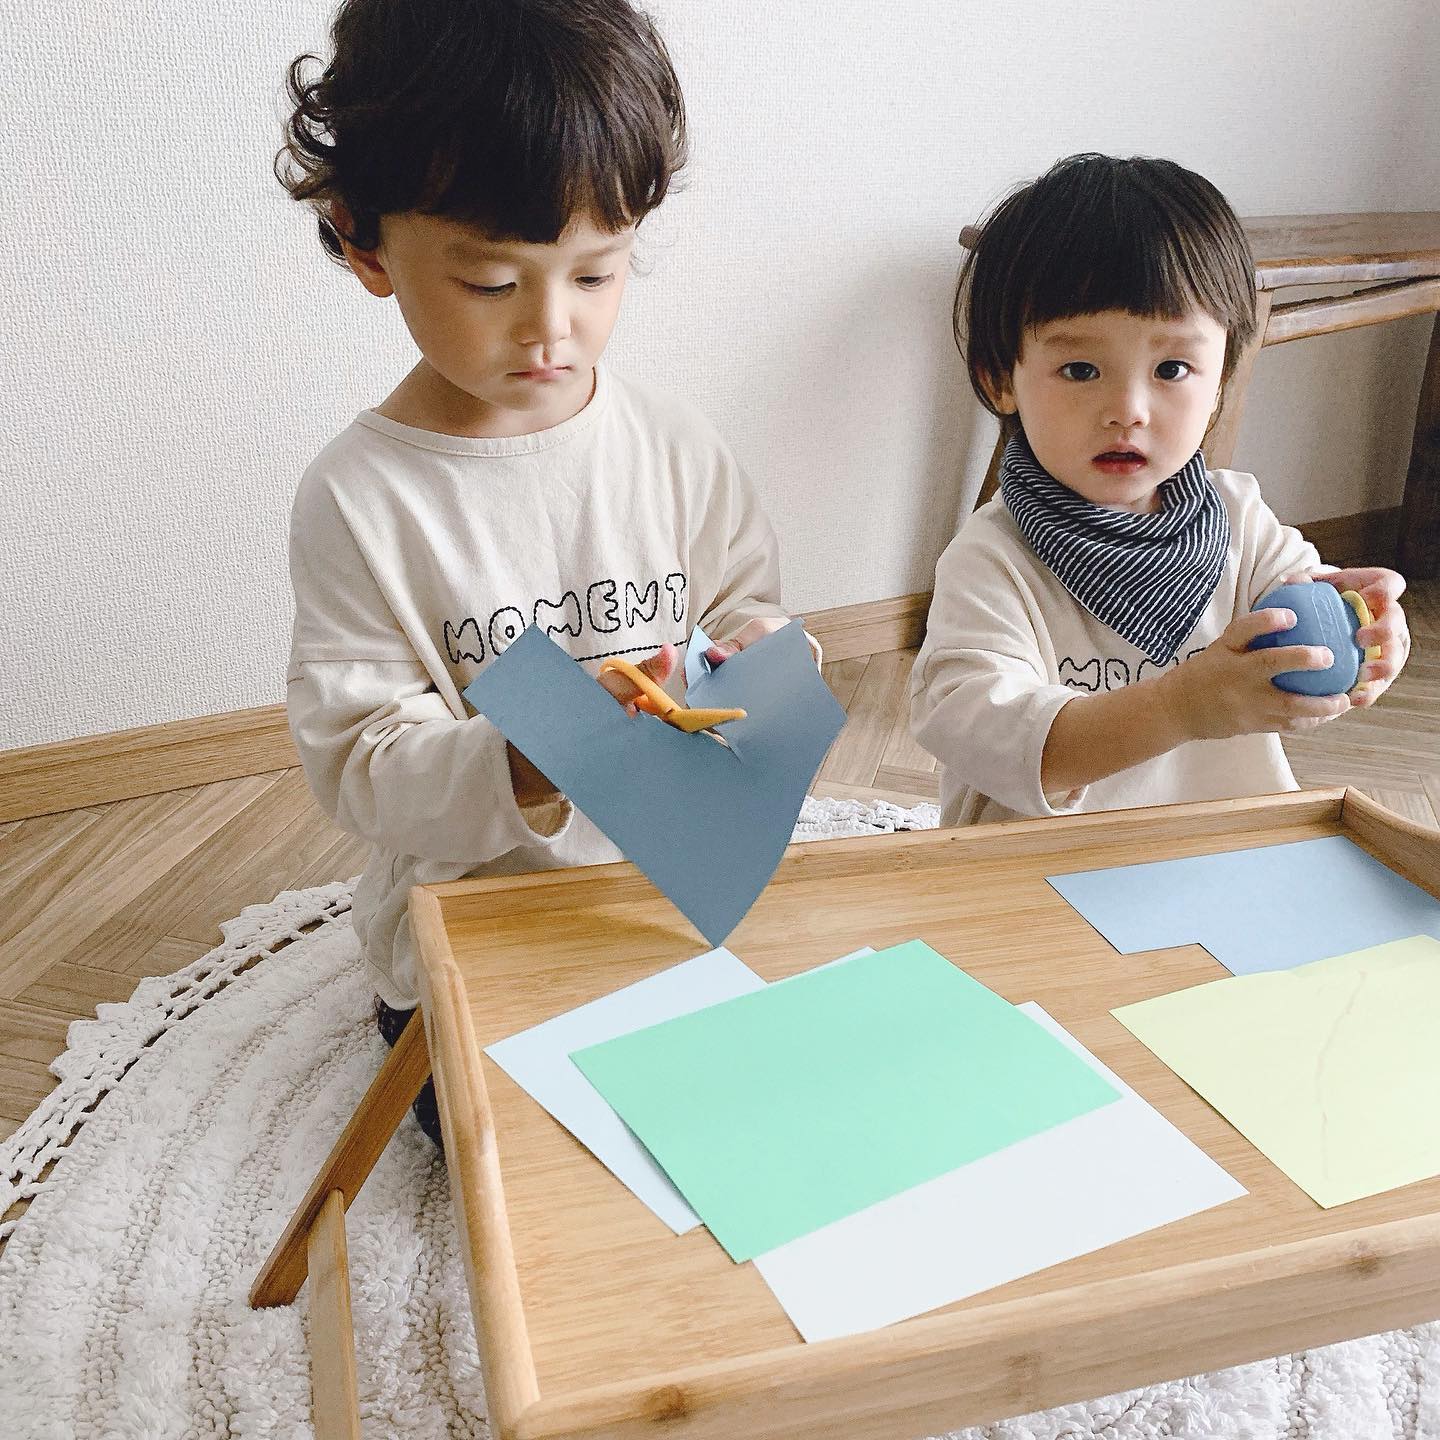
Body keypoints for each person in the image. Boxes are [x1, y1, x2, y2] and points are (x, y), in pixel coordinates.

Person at [277, 0, 802, 1145]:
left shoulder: (670, 444)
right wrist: (526, 758)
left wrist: (756, 657)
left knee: (790, 1095)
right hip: (475, 943)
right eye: (491, 284)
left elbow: (746, 607)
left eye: (596, 275)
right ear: (365, 239)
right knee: (531, 1157)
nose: (550, 331)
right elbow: (358, 766)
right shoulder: (363, 500)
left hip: (666, 896)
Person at [911, 153, 1410, 826]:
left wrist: (1365, 632)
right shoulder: (992, 560)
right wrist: (1181, 707)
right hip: (1031, 881)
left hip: (1215, 853)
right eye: (1081, 368)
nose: (1129, 408)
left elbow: (1305, 613)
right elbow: (993, 739)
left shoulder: (1239, 519)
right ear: (1002, 379)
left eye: (1172, 367)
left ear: (1222, 376)